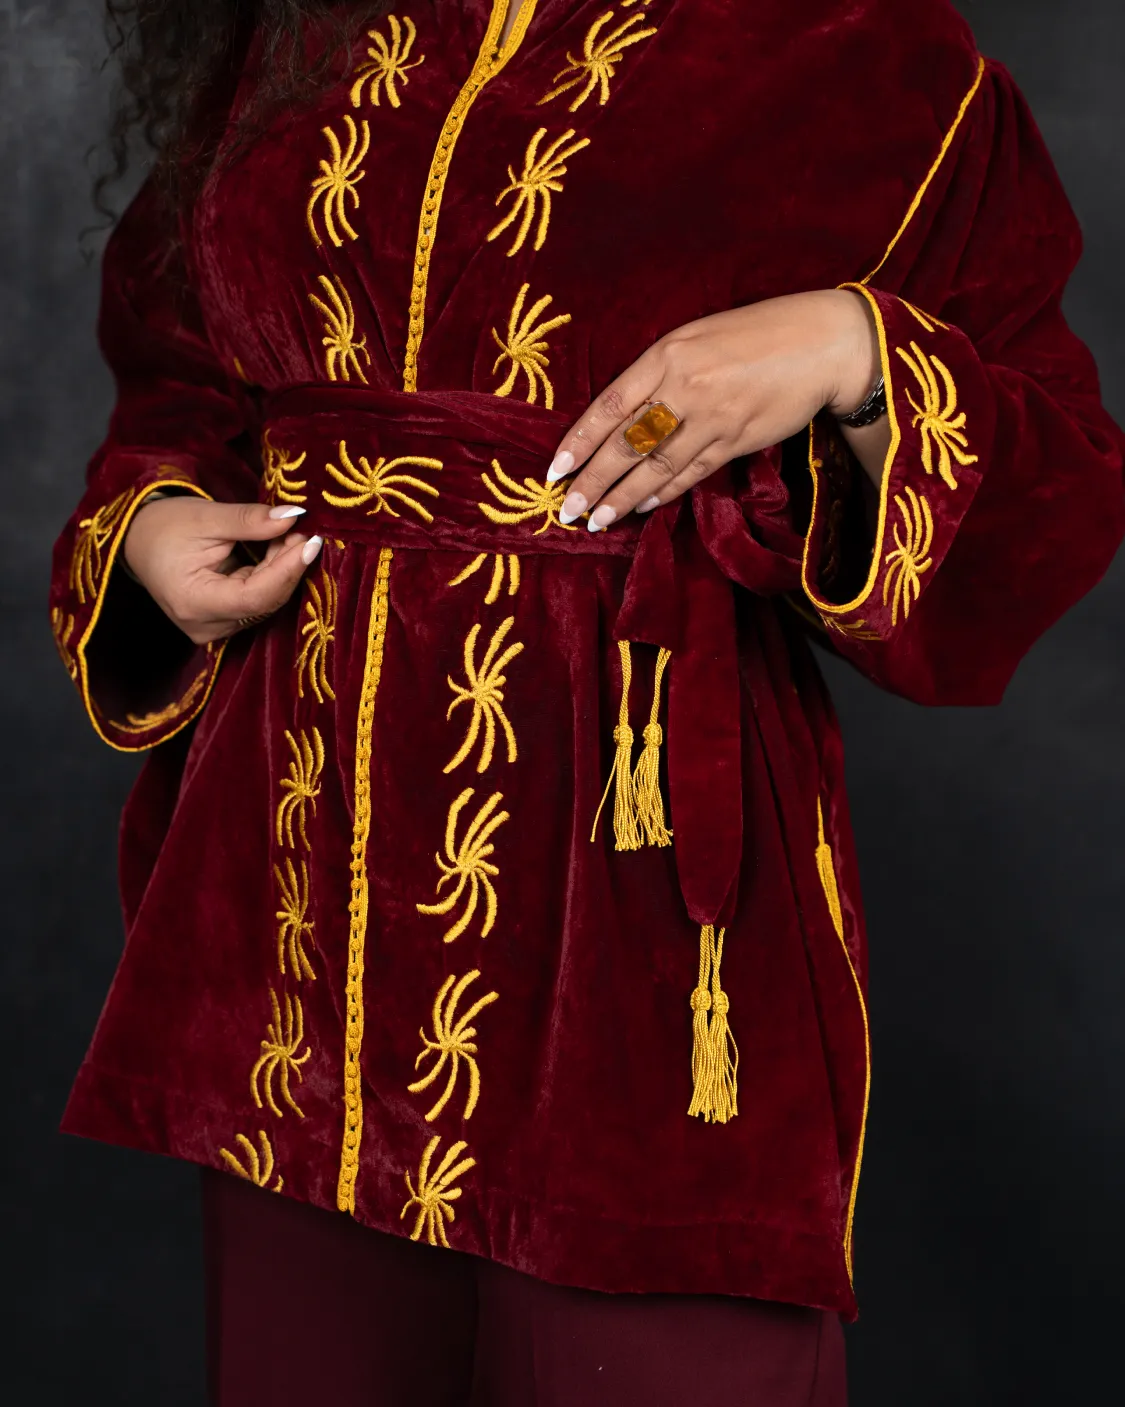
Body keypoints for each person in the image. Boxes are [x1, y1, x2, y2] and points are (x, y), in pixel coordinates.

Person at [50, 1, 1124, 1402]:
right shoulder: (292, 27)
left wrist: (853, 355)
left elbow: (1055, 481)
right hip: (302, 939)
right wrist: (148, 527)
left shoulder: (860, 45)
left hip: (636, 928)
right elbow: (181, 369)